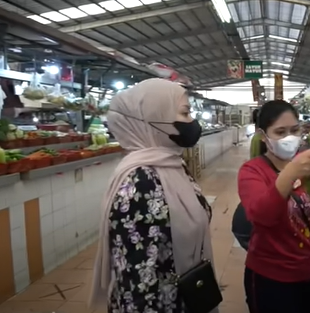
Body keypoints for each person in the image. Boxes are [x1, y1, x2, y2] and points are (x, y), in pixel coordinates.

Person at [89, 79, 218, 313]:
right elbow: (136, 278)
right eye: (185, 113)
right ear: (153, 118)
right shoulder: (141, 182)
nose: (192, 122)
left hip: (185, 296)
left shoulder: (170, 166)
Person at [237, 100, 310, 313]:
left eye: (294, 130)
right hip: (271, 279)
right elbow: (263, 216)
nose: (289, 138)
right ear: (263, 136)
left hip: (309, 273)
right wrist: (292, 172)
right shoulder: (252, 171)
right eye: (280, 132)